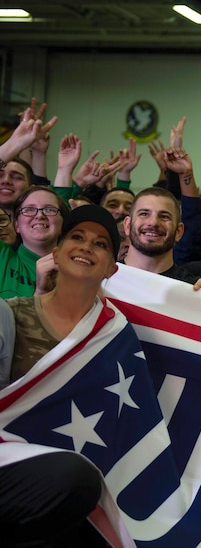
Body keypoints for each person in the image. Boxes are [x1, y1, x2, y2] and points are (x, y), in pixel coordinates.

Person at [2, 205, 123, 546]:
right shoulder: (9, 315)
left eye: (100, 243)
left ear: (112, 268)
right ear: (56, 253)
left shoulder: (117, 335)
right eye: (77, 237)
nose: (87, 246)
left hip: (71, 485)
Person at [122, 187, 201, 292]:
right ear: (127, 226)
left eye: (164, 217)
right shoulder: (106, 277)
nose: (153, 222)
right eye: (144, 214)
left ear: (179, 231)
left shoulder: (196, 290)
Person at [1, 186, 69, 299]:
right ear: (16, 225)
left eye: (49, 209)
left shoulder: (76, 271)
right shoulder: (2, 256)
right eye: (29, 209)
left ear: (63, 224)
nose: (39, 216)